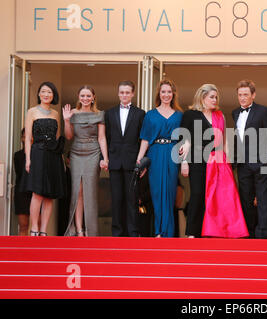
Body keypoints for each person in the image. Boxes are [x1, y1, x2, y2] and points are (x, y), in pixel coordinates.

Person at [180, 84, 248, 238]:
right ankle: (192, 232)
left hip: (217, 161)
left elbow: (224, 141)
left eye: (216, 97)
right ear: (202, 97)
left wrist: (227, 161)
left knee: (214, 196)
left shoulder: (220, 116)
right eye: (212, 96)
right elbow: (186, 140)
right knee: (197, 194)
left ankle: (210, 232)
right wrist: (184, 162)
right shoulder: (190, 114)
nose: (214, 99)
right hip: (196, 160)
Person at [137, 79, 183, 238]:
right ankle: (158, 232)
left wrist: (184, 161)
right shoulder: (150, 115)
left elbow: (184, 141)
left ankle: (168, 233)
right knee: (156, 193)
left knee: (169, 193)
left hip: (172, 153)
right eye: (163, 92)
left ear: (173, 94)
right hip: (155, 153)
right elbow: (145, 139)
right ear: (159, 94)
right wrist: (140, 161)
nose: (166, 95)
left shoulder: (179, 115)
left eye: (169, 92)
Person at [232, 80, 267, 239]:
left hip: (262, 163)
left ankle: (263, 236)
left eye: (245, 94)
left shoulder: (264, 111)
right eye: (240, 95)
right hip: (243, 164)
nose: (242, 98)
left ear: (253, 95)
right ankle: (249, 235)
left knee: (264, 201)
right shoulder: (235, 113)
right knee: (246, 200)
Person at [20, 81, 66, 236]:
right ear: (39, 94)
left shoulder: (55, 114)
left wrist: (60, 159)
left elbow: (58, 137)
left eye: (50, 92)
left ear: (53, 95)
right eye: (44, 91)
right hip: (37, 153)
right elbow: (27, 138)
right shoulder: (31, 111)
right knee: (37, 193)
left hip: (53, 155)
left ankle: (44, 230)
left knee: (49, 195)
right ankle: (34, 229)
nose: (46, 95)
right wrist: (28, 159)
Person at [62, 85, 109, 236]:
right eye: (83, 95)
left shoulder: (100, 114)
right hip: (76, 152)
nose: (85, 98)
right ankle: (79, 229)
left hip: (93, 152)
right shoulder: (73, 113)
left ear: (93, 97)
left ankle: (91, 230)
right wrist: (66, 121)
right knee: (78, 190)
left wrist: (105, 158)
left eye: (88, 96)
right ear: (78, 97)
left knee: (90, 191)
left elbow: (101, 138)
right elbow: (69, 136)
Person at [105, 81, 145, 237]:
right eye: (121, 92)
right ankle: (117, 233)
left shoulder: (140, 113)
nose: (124, 95)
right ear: (118, 93)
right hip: (114, 161)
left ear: (133, 94)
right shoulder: (109, 113)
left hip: (132, 161)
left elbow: (142, 139)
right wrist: (105, 158)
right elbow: (106, 138)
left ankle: (133, 233)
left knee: (132, 199)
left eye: (127, 92)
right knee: (116, 199)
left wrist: (142, 162)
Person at [13, 128, 32, 235]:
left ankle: (37, 251)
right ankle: (22, 252)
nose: (28, 138)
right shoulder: (18, 156)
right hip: (22, 193)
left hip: (36, 192)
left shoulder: (39, 155)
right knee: (23, 226)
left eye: (30, 136)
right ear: (22, 138)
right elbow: (21, 173)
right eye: (25, 136)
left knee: (37, 225)